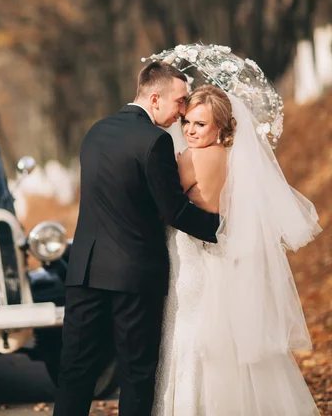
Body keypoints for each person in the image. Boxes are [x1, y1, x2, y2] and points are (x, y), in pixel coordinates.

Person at [53, 63, 222, 416]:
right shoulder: (155, 141)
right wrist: (221, 228)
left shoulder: (96, 132)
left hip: (84, 272)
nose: (182, 112)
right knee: (136, 376)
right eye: (179, 102)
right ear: (155, 97)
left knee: (75, 372)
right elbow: (173, 211)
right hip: (134, 276)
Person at [153, 85, 321, 416]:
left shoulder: (191, 158)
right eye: (187, 122)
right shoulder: (229, 159)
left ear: (221, 127)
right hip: (216, 262)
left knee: (189, 342)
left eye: (200, 124)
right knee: (221, 349)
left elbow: (161, 202)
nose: (189, 129)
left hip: (192, 266)